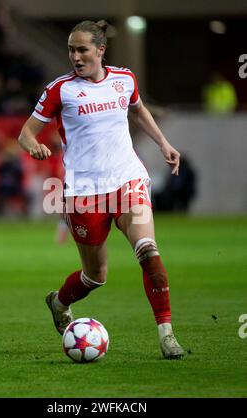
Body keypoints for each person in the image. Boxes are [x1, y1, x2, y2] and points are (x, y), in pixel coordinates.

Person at [18, 20, 184, 359]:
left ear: (100, 50)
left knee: (149, 252)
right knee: (95, 276)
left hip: (127, 180)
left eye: (82, 50)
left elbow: (138, 109)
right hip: (84, 191)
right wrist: (33, 145)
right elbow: (26, 133)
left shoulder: (124, 80)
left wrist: (164, 142)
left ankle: (167, 335)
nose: (75, 57)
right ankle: (60, 301)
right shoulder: (60, 89)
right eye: (71, 50)